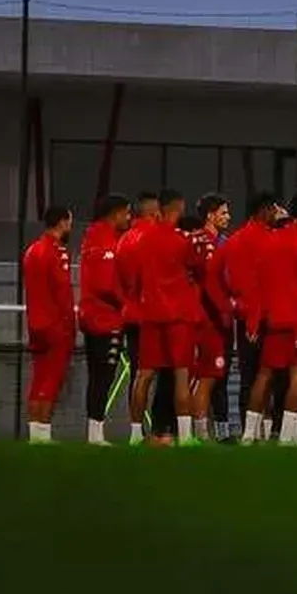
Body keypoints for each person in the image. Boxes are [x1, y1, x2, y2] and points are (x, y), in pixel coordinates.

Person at [133, 188, 206, 446]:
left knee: (144, 375)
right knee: (181, 374)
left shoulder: (142, 238)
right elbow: (198, 267)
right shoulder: (181, 240)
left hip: (151, 314)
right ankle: (185, 436)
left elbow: (132, 274)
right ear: (178, 208)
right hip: (178, 316)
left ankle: (135, 435)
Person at [251, 190, 297, 445]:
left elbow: (258, 284)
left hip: (273, 320)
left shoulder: (270, 241)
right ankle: (288, 436)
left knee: (264, 375)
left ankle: (250, 434)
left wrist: (255, 318)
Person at [218, 192, 281, 442]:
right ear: (264, 210)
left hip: (243, 316)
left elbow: (216, 276)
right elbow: (269, 282)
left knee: (248, 375)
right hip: (267, 316)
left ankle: (248, 430)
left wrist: (227, 305)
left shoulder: (233, 240)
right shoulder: (271, 240)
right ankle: (273, 430)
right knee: (273, 374)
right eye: (274, 210)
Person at [75, 194, 131, 446]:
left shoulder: (94, 237)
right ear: (116, 213)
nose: (128, 219)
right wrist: (128, 303)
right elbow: (106, 284)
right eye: (126, 213)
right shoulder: (104, 239)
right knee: (103, 376)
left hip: (94, 317)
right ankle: (95, 433)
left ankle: (95, 431)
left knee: (98, 376)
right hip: (104, 319)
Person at [22, 205, 75, 444]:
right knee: (52, 379)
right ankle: (43, 433)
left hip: (35, 323)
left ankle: (35, 434)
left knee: (39, 378)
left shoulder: (32, 250)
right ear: (62, 222)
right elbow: (63, 293)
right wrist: (70, 325)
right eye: (69, 221)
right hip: (55, 325)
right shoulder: (57, 252)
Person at [113, 189, 160, 441]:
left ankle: (135, 432)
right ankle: (161, 430)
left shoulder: (124, 239)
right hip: (151, 315)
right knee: (151, 374)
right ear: (155, 212)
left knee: (138, 373)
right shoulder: (153, 238)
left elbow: (119, 280)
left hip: (130, 313)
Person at [190, 194, 233, 444]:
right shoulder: (201, 242)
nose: (228, 217)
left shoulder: (223, 242)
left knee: (218, 376)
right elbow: (209, 285)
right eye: (224, 212)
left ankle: (216, 432)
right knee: (206, 377)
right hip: (207, 320)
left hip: (219, 320)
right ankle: (200, 433)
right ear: (210, 215)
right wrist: (227, 309)